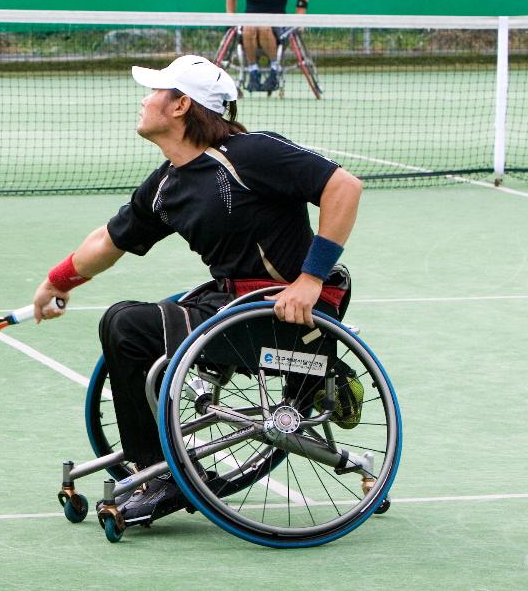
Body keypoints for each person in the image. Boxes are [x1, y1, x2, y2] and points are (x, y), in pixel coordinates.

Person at [31, 54, 363, 529]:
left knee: (128, 324)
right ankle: (156, 467)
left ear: (181, 105)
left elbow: (344, 187)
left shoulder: (249, 153)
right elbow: (108, 240)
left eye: (155, 92)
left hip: (283, 309)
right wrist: (55, 282)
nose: (144, 101)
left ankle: (161, 477)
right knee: (127, 324)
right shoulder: (167, 183)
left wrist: (310, 280)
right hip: (230, 304)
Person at [225, 0, 309, 92]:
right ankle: (253, 72)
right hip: (250, 23)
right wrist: (231, 18)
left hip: (277, 24)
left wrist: (299, 20)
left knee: (264, 27)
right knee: (249, 29)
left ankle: (274, 71)